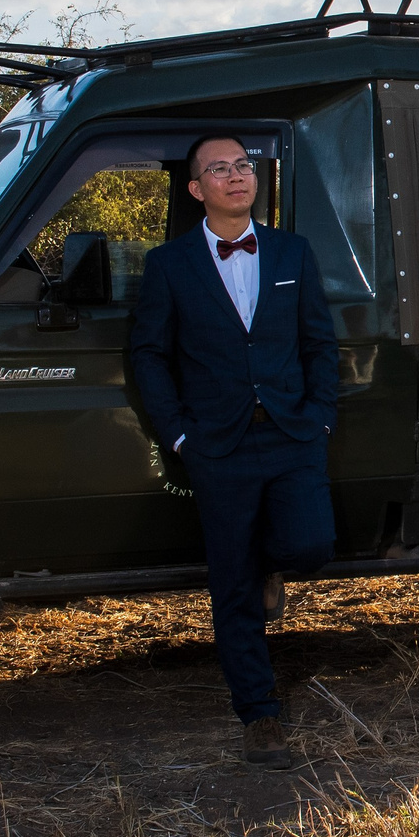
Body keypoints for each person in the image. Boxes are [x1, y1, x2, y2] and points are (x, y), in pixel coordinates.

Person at [130, 136, 339, 771]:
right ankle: (260, 715)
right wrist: (181, 436)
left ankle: (268, 568)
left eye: (243, 165)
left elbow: (318, 344)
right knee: (232, 585)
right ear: (196, 189)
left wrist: (320, 418)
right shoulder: (169, 266)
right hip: (216, 445)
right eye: (218, 169)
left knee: (311, 544)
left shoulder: (290, 252)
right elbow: (148, 356)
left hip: (290, 434)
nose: (235, 176)